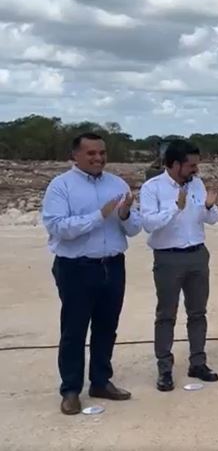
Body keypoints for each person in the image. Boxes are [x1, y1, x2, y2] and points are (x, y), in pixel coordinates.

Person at [41, 132, 141, 414]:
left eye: (102, 153)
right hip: (76, 268)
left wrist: (124, 215)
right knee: (74, 329)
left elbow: (134, 229)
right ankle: (71, 389)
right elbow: (59, 228)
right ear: (75, 156)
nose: (98, 158)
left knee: (107, 327)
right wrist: (99, 215)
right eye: (91, 153)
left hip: (112, 265)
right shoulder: (61, 187)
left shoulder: (117, 183)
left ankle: (100, 381)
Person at [139, 139, 218, 392]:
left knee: (198, 313)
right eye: (191, 165)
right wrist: (176, 208)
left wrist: (208, 205)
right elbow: (149, 224)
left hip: (197, 254)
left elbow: (213, 219)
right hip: (168, 258)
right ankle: (165, 369)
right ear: (174, 164)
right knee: (166, 315)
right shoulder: (152, 188)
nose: (196, 170)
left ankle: (198, 362)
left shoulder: (197, 184)